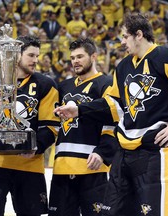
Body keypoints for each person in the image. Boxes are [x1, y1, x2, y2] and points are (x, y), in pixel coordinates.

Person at [54, 13, 168, 216]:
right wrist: (79, 110)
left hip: (155, 152)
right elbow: (113, 106)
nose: (122, 42)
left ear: (138, 34)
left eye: (124, 36)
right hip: (123, 154)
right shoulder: (123, 67)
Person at [0, 35, 60, 216]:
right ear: (17, 55)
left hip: (29, 165)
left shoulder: (46, 85)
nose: (35, 60)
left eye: (37, 56)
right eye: (31, 55)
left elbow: (51, 126)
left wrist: (35, 146)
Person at [48, 38, 117, 216]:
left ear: (93, 56)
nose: (75, 61)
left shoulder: (106, 83)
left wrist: (103, 152)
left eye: (80, 56)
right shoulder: (63, 86)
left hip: (93, 166)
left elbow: (114, 121)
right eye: (72, 58)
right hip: (62, 167)